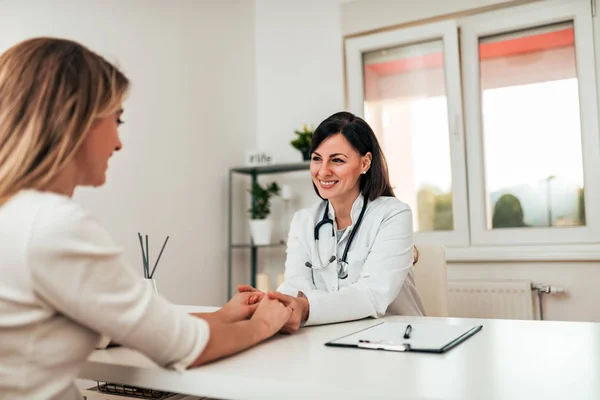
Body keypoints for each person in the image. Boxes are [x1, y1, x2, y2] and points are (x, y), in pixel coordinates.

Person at [0, 37, 291, 400]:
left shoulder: (15, 215)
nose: (119, 143)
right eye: (116, 119)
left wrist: (225, 316)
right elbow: (186, 348)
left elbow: (130, 328)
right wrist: (264, 323)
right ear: (76, 118)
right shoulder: (53, 225)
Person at [239, 111, 425, 333]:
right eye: (317, 159)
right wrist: (272, 301)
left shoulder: (394, 215)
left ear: (365, 162)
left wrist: (305, 306)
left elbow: (373, 294)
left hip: (399, 338)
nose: (323, 171)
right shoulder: (304, 221)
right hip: (334, 336)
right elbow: (296, 287)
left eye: (337, 160)